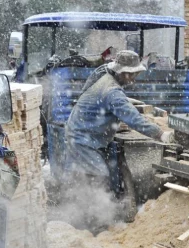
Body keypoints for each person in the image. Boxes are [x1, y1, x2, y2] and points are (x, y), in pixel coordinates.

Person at [64, 50, 173, 182]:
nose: (133, 79)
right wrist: (160, 134)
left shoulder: (106, 78)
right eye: (132, 75)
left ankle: (89, 199)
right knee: (99, 177)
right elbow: (133, 119)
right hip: (83, 139)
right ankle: (92, 202)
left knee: (92, 176)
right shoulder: (112, 92)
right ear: (122, 72)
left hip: (81, 133)